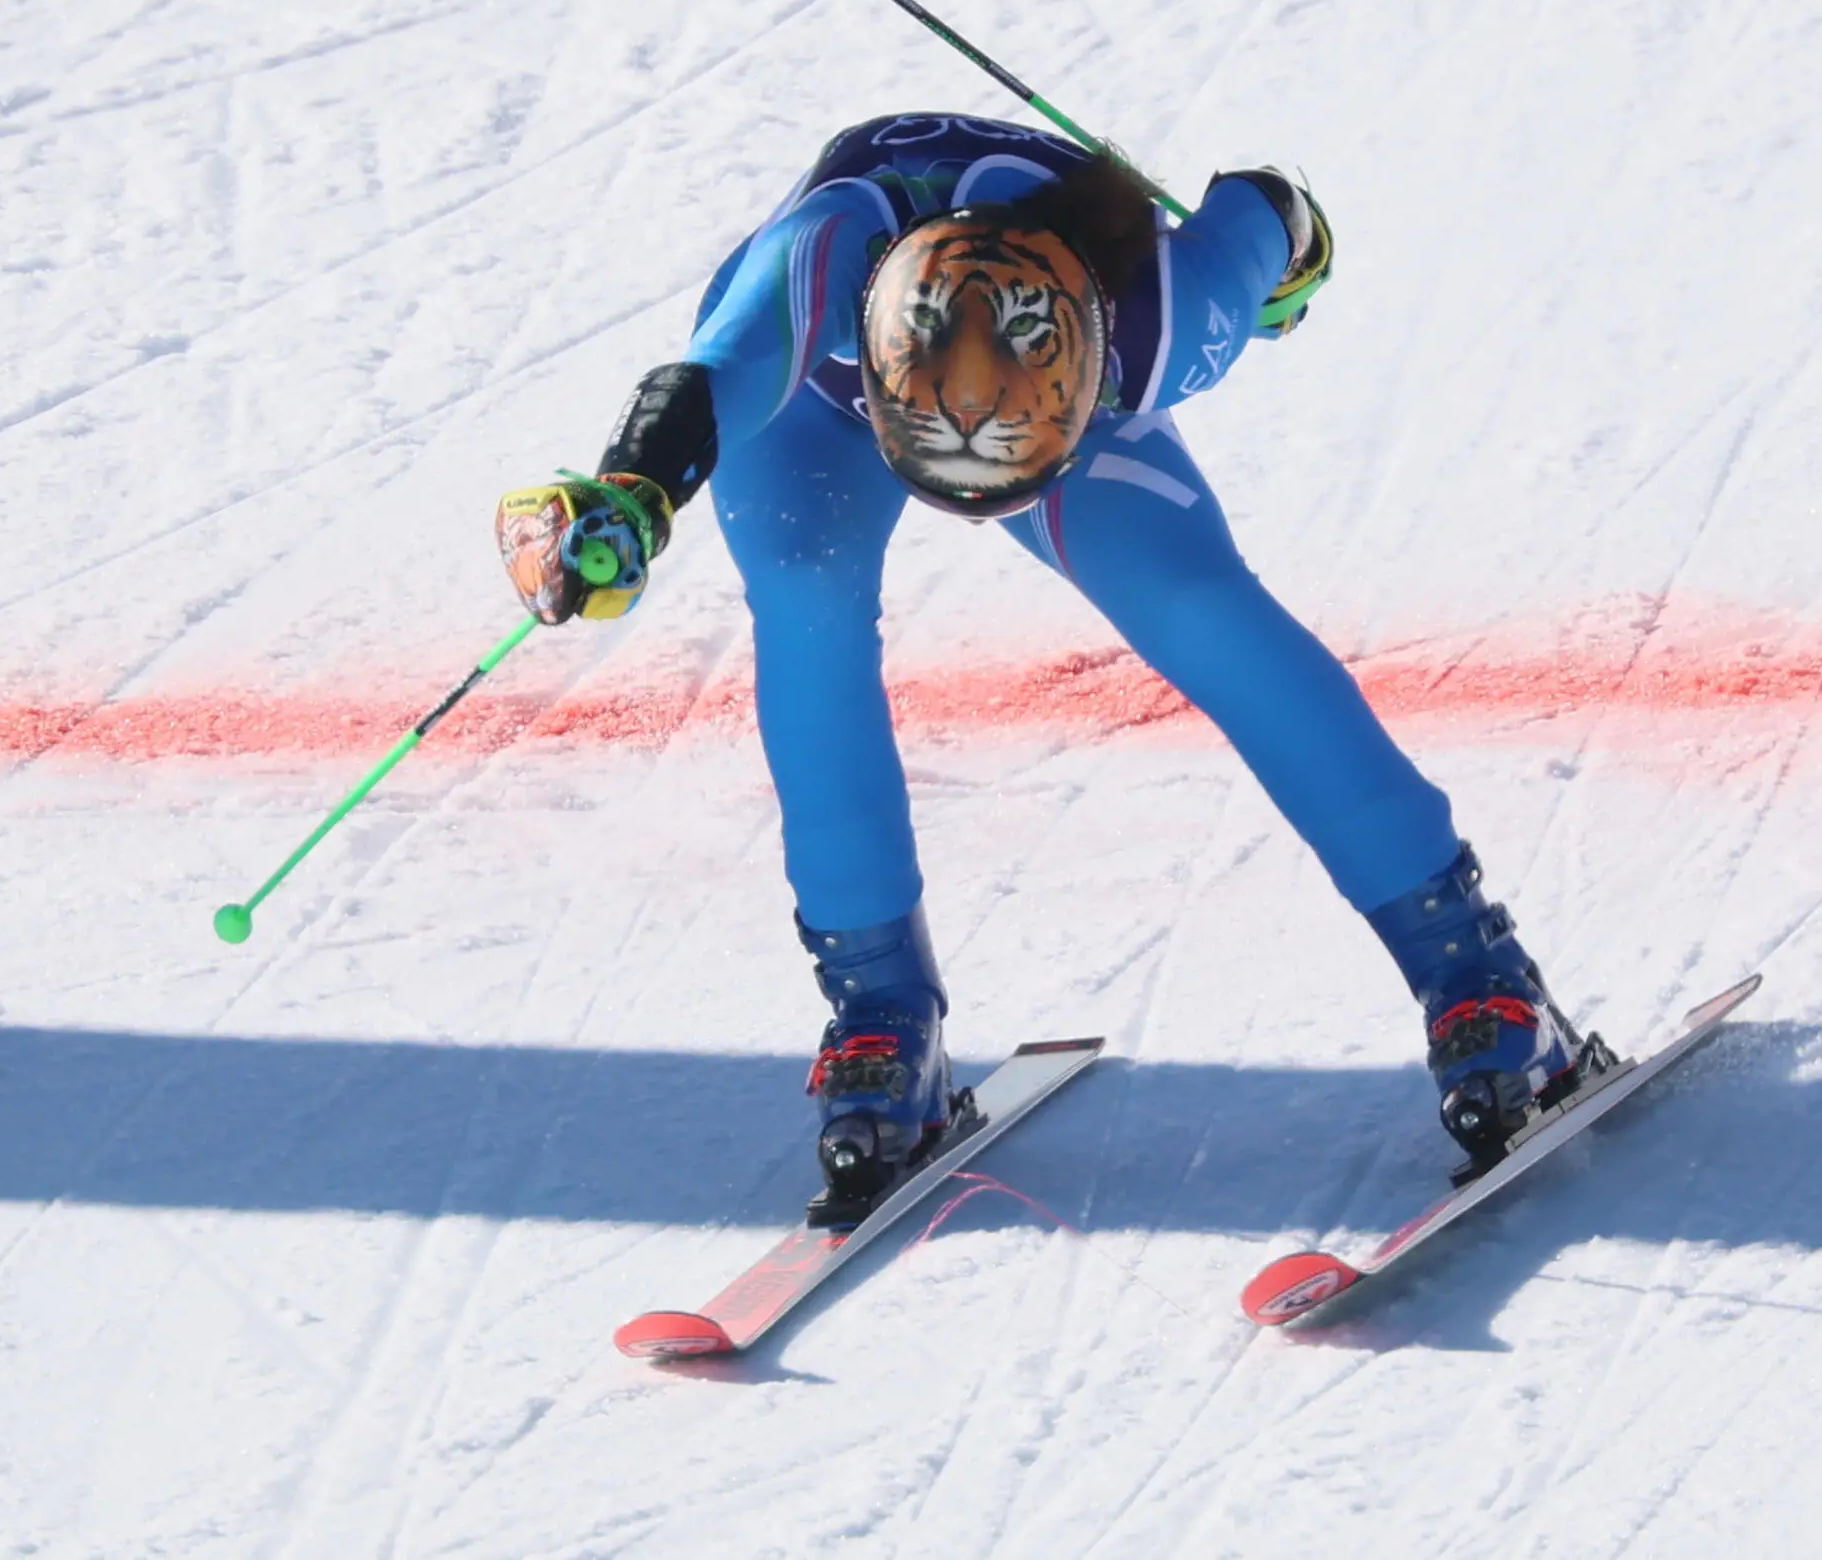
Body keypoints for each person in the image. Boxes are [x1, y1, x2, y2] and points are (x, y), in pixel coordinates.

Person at [496, 111, 1609, 1221]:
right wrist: (631, 492)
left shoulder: (1165, 324)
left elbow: (1269, 204)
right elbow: (721, 368)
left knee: (1197, 605)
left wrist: (1288, 256)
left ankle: (1473, 966)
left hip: (1044, 370)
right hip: (816, 397)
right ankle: (882, 1009)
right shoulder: (829, 248)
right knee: (806, 610)